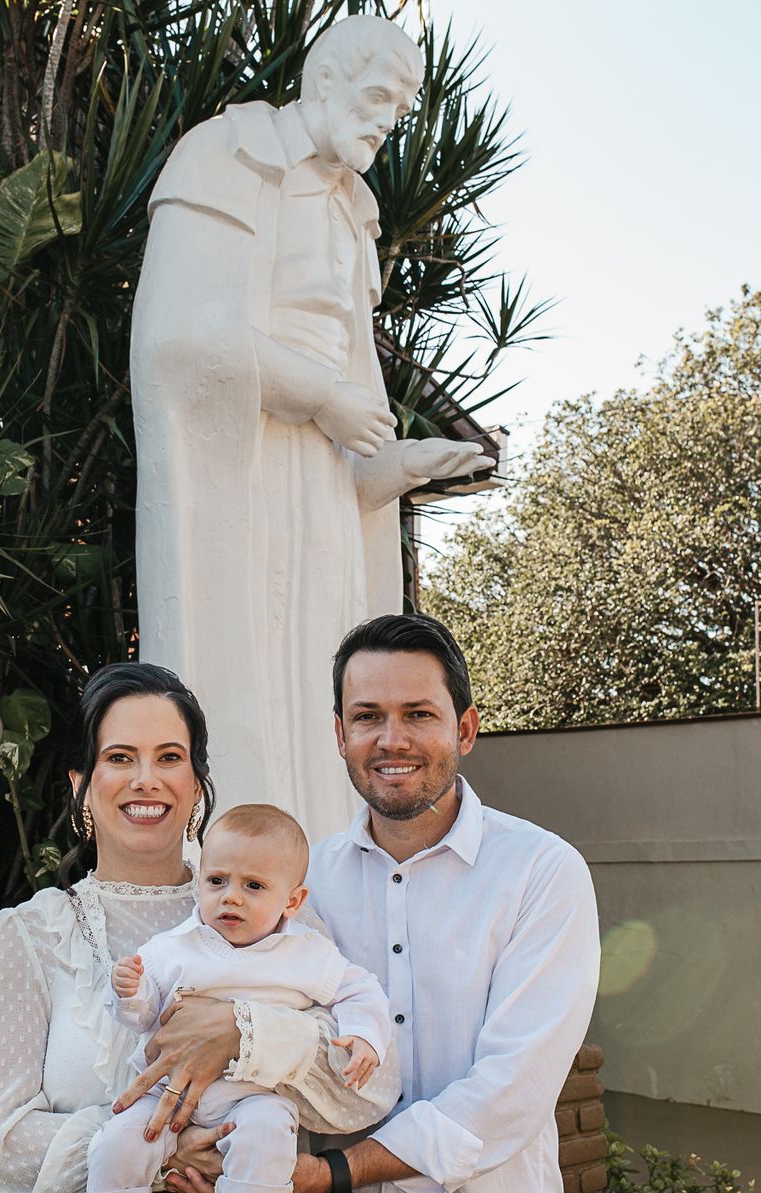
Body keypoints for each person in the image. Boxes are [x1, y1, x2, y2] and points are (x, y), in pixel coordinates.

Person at [140, 615, 601, 1193]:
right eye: (367, 716)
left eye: (418, 713)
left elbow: (509, 1094)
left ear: (465, 728)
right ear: (340, 733)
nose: (392, 739)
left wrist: (330, 1172)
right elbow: (259, 1047)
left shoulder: (540, 872)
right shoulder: (299, 886)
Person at [132, 14, 493, 842]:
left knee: (322, 684)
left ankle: (320, 896)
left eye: (395, 114)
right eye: (373, 99)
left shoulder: (353, 214)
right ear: (323, 82)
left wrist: (395, 464)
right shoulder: (224, 158)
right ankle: (238, 885)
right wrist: (319, 396)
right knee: (246, 682)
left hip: (326, 502)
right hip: (238, 480)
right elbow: (178, 340)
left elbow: (354, 408)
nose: (382, 124)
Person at [0, 664, 396, 1193]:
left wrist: (244, 1033)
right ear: (81, 784)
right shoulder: (28, 936)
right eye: (119, 757)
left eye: (169, 757)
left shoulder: (278, 920)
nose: (146, 779)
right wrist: (164, 1153)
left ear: (197, 785)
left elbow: (369, 1089)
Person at [80, 805, 392, 1193]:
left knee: (270, 1136)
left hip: (253, 1096)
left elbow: (359, 988)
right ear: (200, 881)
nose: (232, 898)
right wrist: (129, 991)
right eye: (217, 881)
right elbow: (144, 1019)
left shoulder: (305, 952)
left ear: (292, 900)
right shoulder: (173, 946)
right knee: (116, 1139)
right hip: (167, 1099)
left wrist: (365, 1034)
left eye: (254, 886)